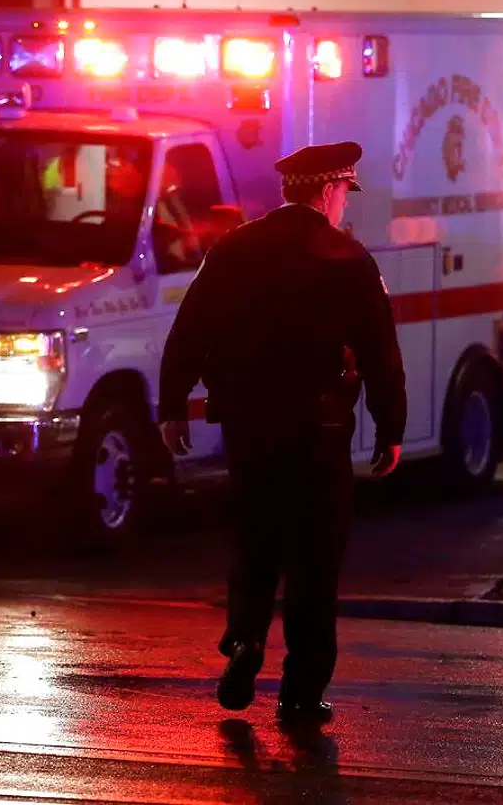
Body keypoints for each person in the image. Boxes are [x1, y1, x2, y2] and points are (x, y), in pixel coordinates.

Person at [157, 141, 405, 727]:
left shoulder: (234, 249)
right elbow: (380, 352)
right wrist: (390, 427)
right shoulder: (347, 256)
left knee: (255, 539)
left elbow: (189, 330)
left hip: (248, 424)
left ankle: (244, 640)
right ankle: (300, 691)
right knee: (315, 558)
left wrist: (172, 408)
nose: (345, 203)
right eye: (344, 192)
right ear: (327, 191)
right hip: (319, 430)